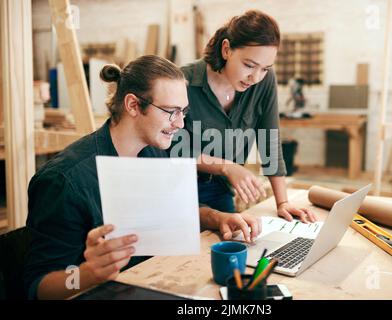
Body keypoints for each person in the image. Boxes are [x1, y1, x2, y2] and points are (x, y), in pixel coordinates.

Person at [24, 55, 261, 300]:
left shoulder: (154, 151)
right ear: (133, 105)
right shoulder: (63, 181)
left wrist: (217, 217)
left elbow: (172, 211)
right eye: (171, 112)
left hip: (149, 284)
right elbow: (38, 287)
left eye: (183, 112)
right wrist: (87, 274)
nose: (180, 123)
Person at [173, 10, 317, 222]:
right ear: (226, 50)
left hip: (220, 188)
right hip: (176, 187)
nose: (255, 77)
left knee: (232, 241)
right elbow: (171, 149)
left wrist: (282, 202)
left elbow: (270, 141)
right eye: (249, 65)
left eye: (265, 68)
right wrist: (227, 166)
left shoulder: (264, 82)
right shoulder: (182, 81)